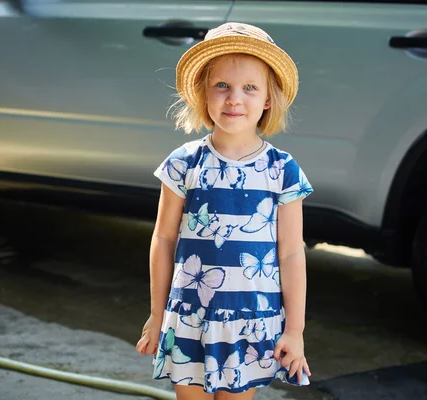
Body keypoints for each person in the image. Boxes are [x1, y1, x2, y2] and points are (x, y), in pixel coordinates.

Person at [136, 22, 313, 400]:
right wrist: (156, 314)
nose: (235, 98)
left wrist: (294, 331)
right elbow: (164, 238)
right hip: (190, 317)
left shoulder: (283, 170)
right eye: (222, 86)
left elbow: (292, 252)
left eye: (250, 87)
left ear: (268, 99)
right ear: (203, 93)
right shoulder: (183, 163)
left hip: (250, 321)